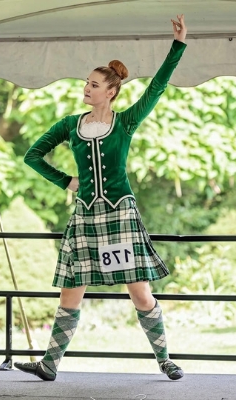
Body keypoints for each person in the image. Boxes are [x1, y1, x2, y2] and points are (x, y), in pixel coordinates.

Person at [17, 16, 188, 382]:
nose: (86, 89)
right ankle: (49, 365)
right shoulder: (69, 125)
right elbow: (32, 155)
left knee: (140, 293)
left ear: (110, 91)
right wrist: (67, 182)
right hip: (84, 218)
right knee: (70, 293)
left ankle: (165, 360)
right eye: (86, 83)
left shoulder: (125, 122)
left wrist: (177, 46)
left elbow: (156, 88)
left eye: (92, 85)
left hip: (119, 215)